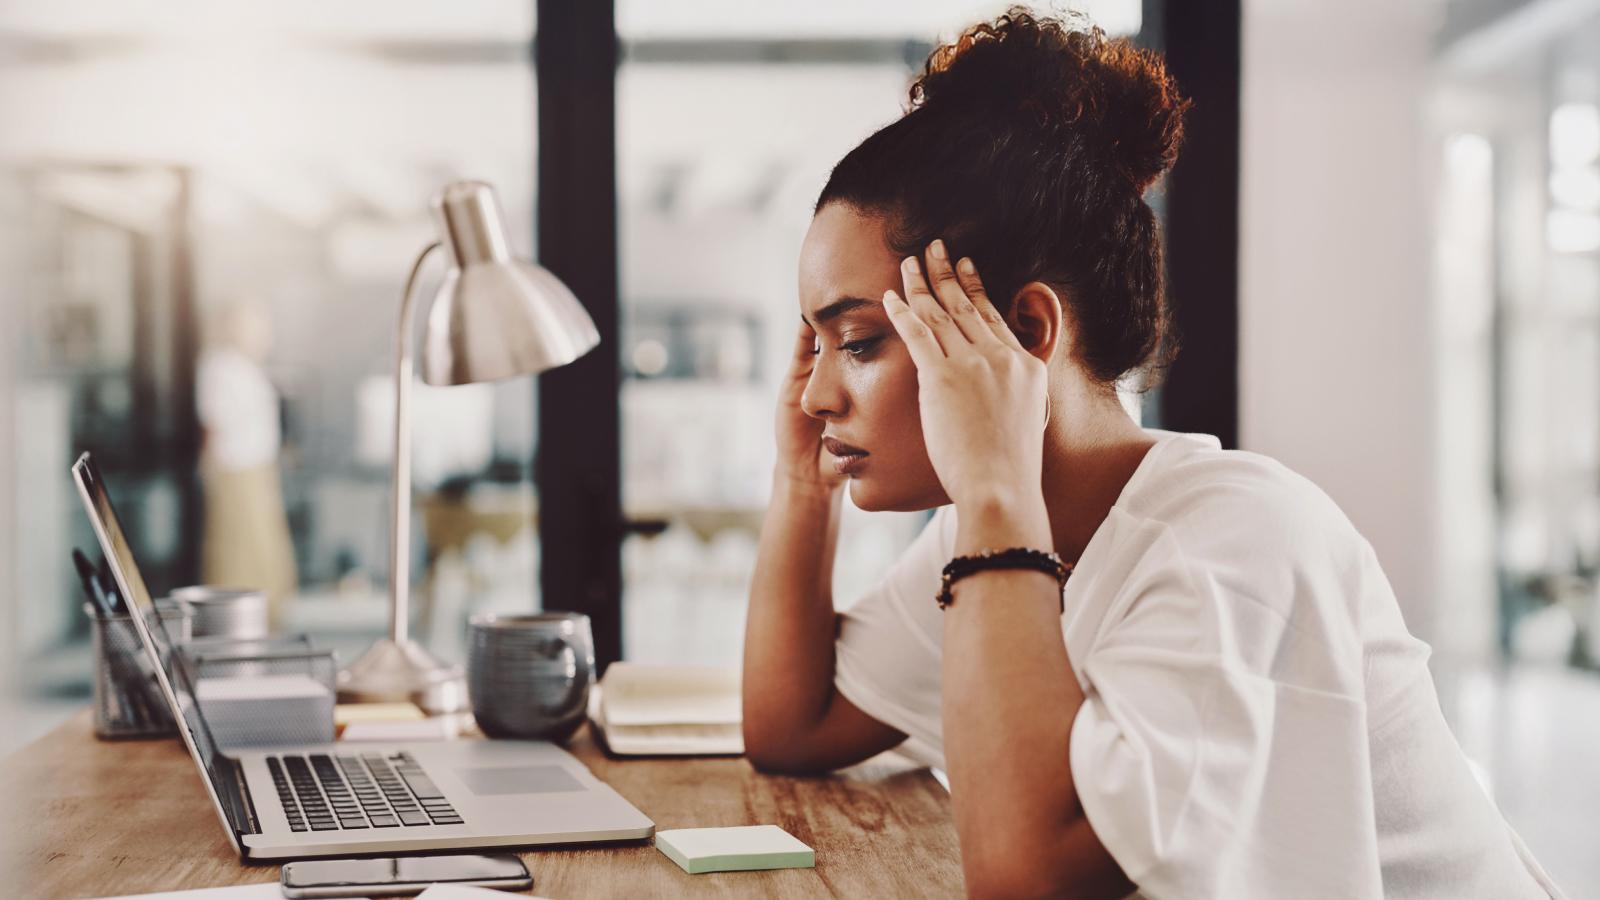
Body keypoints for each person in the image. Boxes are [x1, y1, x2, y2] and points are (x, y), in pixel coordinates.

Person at [740, 9, 1563, 899]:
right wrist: (800, 479)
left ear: (1022, 334)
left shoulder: (1233, 544)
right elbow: (797, 723)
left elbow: (1027, 877)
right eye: (814, 347)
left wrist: (989, 494)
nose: (818, 394)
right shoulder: (1006, 534)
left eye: (858, 341)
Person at [196, 300, 297, 626]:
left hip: (257, 469)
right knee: (238, 548)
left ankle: (265, 617)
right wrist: (209, 468)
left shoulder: (245, 366)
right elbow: (214, 423)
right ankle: (234, 620)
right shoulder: (219, 365)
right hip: (235, 470)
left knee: (263, 546)